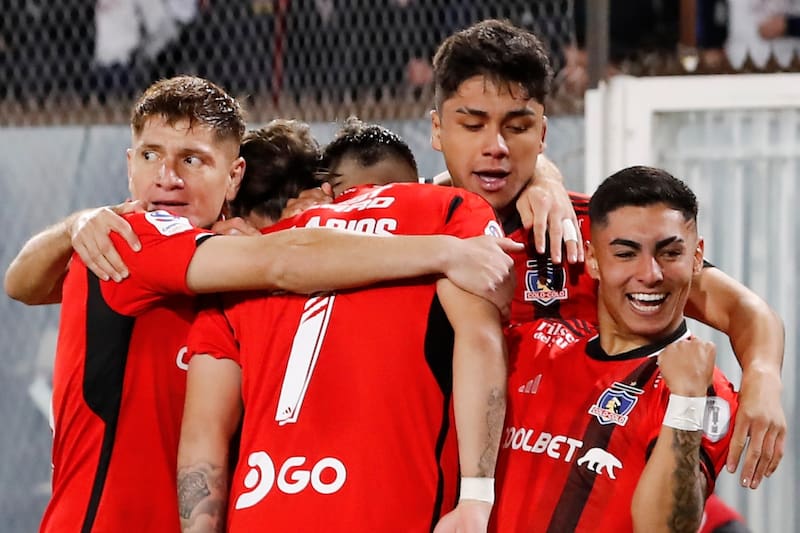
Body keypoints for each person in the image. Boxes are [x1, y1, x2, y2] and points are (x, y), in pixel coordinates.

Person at [3, 75, 522, 532]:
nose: (167, 178)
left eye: (191, 159)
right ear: (129, 162)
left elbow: (27, 285)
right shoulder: (133, 235)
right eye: (150, 155)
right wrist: (445, 249)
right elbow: (284, 261)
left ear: (234, 176)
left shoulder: (221, 267)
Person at [428, 18, 784, 490]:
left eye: (517, 127)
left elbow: (741, 308)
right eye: (472, 124)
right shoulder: (404, 232)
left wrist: (762, 378)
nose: (495, 147)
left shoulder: (586, 232)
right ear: (436, 130)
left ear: (543, 133)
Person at [178, 181, 509, 532]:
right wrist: (476, 495)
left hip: (260, 510)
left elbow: (204, 431)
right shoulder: (447, 214)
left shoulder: (244, 256)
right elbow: (480, 338)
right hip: (388, 514)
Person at [491, 165, 739, 532]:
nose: (650, 274)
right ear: (592, 260)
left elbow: (663, 529)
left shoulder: (704, 390)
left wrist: (686, 403)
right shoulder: (532, 345)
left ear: (697, 257)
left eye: (670, 253)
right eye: (626, 254)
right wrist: (538, 172)